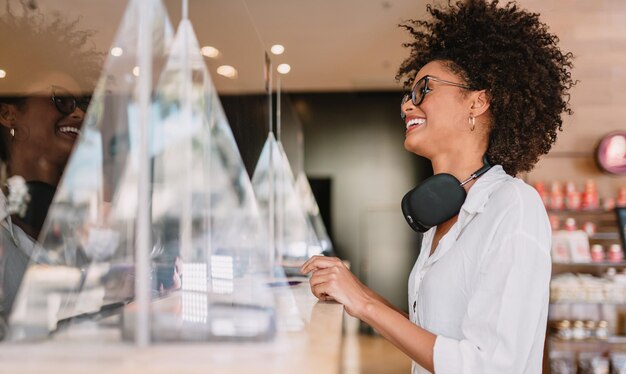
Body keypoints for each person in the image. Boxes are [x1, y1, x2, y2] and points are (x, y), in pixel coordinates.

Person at [301, 0, 574, 372]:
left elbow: (489, 366)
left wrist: (364, 304)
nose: (406, 106)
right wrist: (354, 290)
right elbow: (433, 336)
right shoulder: (444, 213)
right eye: (407, 96)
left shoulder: (514, 205)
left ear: (477, 101)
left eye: (423, 89)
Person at [0, 2, 102, 333]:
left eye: (83, 104)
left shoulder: (73, 222)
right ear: (8, 115)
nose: (78, 114)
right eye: (61, 99)